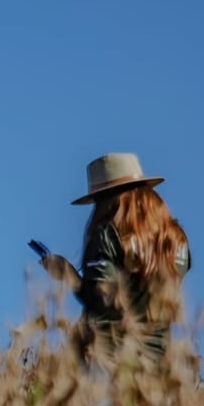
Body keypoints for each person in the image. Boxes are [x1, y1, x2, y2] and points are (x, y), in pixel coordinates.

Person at [37, 152, 192, 364]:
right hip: (158, 362)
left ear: (106, 199)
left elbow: (103, 299)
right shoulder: (175, 241)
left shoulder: (107, 235)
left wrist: (69, 276)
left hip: (109, 358)